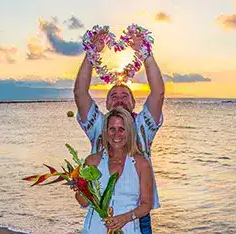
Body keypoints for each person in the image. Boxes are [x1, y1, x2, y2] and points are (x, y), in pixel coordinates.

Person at [74, 29, 164, 233]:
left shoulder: (142, 126)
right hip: (99, 214)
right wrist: (91, 53)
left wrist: (145, 52)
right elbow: (80, 93)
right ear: (106, 104)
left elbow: (158, 93)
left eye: (126, 95)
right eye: (114, 95)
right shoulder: (99, 125)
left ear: (134, 103)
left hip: (137, 213)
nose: (120, 97)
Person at [75, 107, 154, 233]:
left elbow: (146, 205)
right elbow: (84, 203)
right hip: (93, 230)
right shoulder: (92, 161)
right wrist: (80, 188)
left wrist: (125, 218)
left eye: (121, 129)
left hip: (128, 229)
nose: (116, 134)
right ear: (105, 132)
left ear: (129, 132)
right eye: (112, 129)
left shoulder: (141, 164)